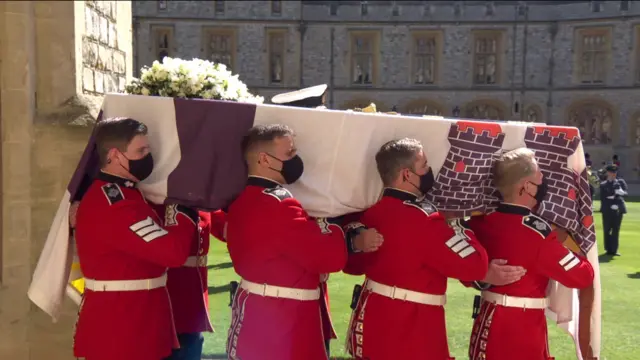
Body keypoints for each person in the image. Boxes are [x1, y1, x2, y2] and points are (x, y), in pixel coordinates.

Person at [225, 124, 380, 360]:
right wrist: (336, 221)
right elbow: (328, 257)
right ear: (264, 159)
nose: (295, 159)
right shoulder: (280, 204)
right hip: (285, 318)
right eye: (289, 154)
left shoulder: (243, 200)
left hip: (257, 311)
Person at [342, 138, 490, 360]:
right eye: (424, 165)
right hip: (414, 327)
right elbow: (474, 266)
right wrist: (458, 224)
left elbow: (351, 264)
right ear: (406, 175)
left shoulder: (371, 211)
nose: (429, 171)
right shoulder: (424, 218)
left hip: (372, 317)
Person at [270, 84, 383, 356]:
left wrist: (355, 238)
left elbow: (347, 215)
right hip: (275, 296)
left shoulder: (332, 167)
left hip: (313, 291)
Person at [73, 117, 199, 360]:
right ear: (114, 155)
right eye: (141, 151)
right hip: (122, 328)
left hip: (140, 320)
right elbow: (172, 253)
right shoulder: (114, 203)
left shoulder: (128, 194)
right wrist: (182, 212)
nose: (147, 157)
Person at [466, 148, 595, 360]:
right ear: (526, 187)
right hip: (522, 332)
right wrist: (568, 242)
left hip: (487, 323)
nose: (543, 180)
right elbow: (582, 276)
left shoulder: (480, 223)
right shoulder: (537, 234)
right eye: (539, 177)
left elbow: (463, 269)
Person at [154, 204, 227, 360]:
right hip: (168, 289)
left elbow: (226, 229)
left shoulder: (203, 201)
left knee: (191, 343)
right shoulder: (156, 199)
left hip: (195, 292)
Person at [600, 164, 628, 256]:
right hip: (608, 209)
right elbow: (603, 198)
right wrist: (611, 201)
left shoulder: (620, 182)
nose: (614, 174)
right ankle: (608, 249)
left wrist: (622, 192)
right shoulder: (603, 184)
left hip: (618, 209)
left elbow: (625, 192)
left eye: (615, 172)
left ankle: (614, 250)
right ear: (608, 173)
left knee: (616, 229)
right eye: (612, 172)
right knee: (607, 229)